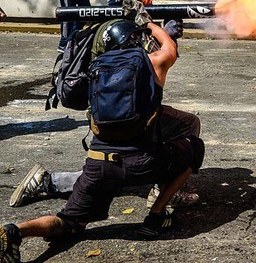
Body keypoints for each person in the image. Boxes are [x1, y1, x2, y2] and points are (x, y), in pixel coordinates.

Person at [0, 20, 205, 261]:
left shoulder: (94, 70)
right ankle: (156, 215)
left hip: (97, 165)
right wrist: (149, 24)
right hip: (141, 162)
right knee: (194, 148)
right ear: (135, 40)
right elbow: (169, 47)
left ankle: (14, 231)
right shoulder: (151, 63)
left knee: (69, 224)